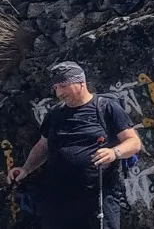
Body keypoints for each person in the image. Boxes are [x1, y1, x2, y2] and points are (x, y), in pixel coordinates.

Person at [6, 61, 141, 229]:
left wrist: (115, 152)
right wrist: (26, 169)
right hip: (58, 200)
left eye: (63, 86)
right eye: (56, 88)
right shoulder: (55, 114)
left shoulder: (106, 108)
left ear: (81, 83)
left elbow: (133, 142)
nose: (59, 93)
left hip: (98, 198)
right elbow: (43, 146)